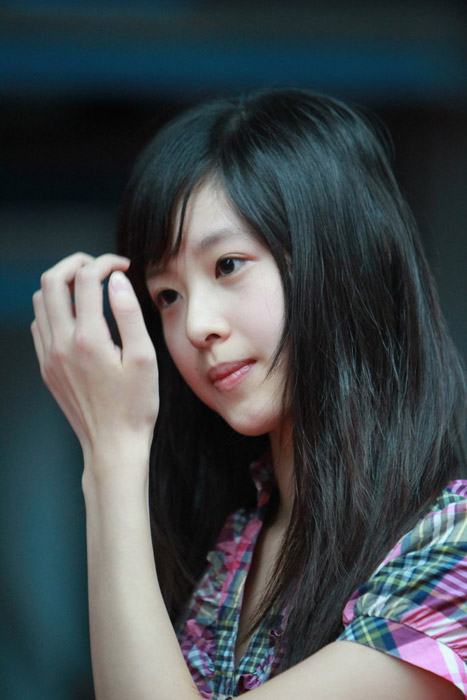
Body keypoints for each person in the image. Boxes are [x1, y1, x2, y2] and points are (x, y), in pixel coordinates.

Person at [31, 88, 467, 699]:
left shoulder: (453, 546)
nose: (195, 326)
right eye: (167, 295)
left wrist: (114, 454)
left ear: (339, 255)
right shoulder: (235, 542)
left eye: (228, 265)